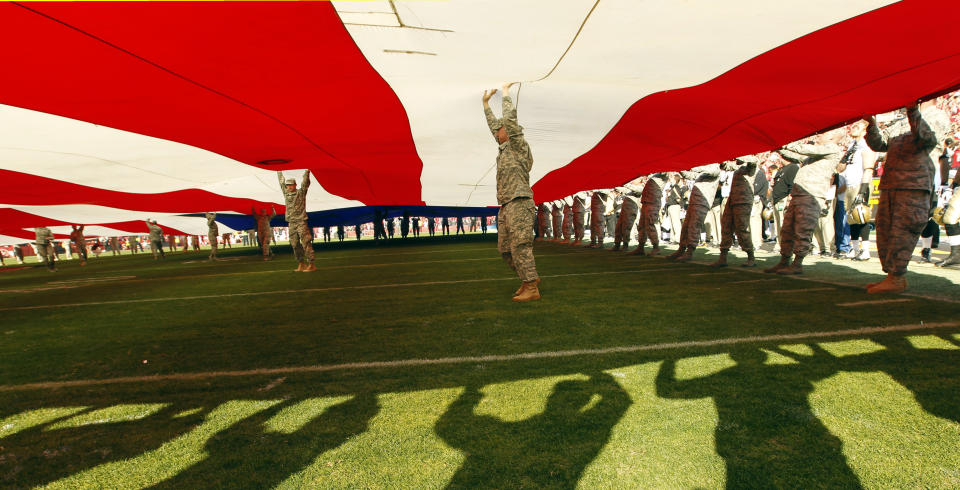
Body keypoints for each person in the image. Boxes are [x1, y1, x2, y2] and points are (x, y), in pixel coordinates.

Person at [864, 101, 950, 292]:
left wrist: (913, 112)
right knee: (884, 230)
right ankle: (892, 276)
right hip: (891, 183)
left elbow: (926, 139)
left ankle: (896, 276)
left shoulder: (937, 115)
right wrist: (871, 125)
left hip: (913, 184)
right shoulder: (901, 120)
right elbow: (879, 144)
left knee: (903, 231)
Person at [483, 82, 540, 302]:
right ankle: (529, 279)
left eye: (501, 128)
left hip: (520, 201)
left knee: (520, 246)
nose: (498, 132)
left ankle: (531, 288)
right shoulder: (504, 148)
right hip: (507, 204)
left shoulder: (518, 145)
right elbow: (493, 127)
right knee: (505, 250)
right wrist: (485, 105)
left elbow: (510, 121)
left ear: (512, 131)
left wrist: (505, 93)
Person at [765, 132, 843, 275]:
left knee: (803, 229)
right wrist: (779, 148)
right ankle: (784, 261)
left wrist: (784, 142)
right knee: (787, 229)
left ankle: (797, 263)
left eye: (822, 134)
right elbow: (796, 157)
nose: (818, 136)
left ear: (832, 138)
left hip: (811, 194)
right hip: (799, 194)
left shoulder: (832, 148)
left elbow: (805, 150)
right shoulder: (817, 155)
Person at [712, 157, 760, 267]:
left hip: (743, 201)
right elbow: (726, 166)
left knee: (742, 228)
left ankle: (750, 257)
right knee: (726, 227)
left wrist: (739, 155)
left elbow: (753, 162)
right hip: (732, 200)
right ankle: (723, 257)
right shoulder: (738, 167)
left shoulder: (750, 165)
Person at [668, 163, 721, 262]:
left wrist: (693, 166)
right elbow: (691, 176)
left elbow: (710, 171)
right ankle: (681, 249)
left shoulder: (714, 167)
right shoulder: (703, 171)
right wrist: (681, 169)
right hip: (694, 201)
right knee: (686, 227)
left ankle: (690, 251)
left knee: (694, 226)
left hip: (702, 202)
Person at [277, 170, 316, 272]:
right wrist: (278, 170)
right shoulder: (286, 194)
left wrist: (307, 173)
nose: (289, 187)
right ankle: (301, 263)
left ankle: (311, 264)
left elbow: (305, 184)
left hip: (301, 222)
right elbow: (281, 182)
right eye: (288, 185)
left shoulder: (301, 192)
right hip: (291, 223)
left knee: (306, 242)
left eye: (291, 185)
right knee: (294, 244)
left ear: (295, 185)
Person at [632, 173, 666, 256]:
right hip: (646, 202)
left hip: (653, 202)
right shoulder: (653, 176)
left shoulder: (663, 174)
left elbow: (663, 171)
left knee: (650, 224)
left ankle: (656, 247)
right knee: (642, 226)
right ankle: (640, 247)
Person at [614, 184, 640, 251]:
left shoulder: (640, 187)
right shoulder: (630, 189)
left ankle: (625, 245)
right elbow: (624, 190)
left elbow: (638, 190)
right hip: (624, 210)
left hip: (631, 210)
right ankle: (617, 244)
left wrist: (627, 184)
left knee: (626, 228)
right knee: (618, 227)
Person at [664, 173, 686, 244]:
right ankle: (672, 239)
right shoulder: (671, 187)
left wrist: (681, 206)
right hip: (670, 206)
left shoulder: (676, 187)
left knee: (676, 223)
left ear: (675, 179)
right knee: (671, 223)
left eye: (672, 178)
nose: (670, 179)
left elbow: (679, 198)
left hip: (675, 206)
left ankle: (678, 239)